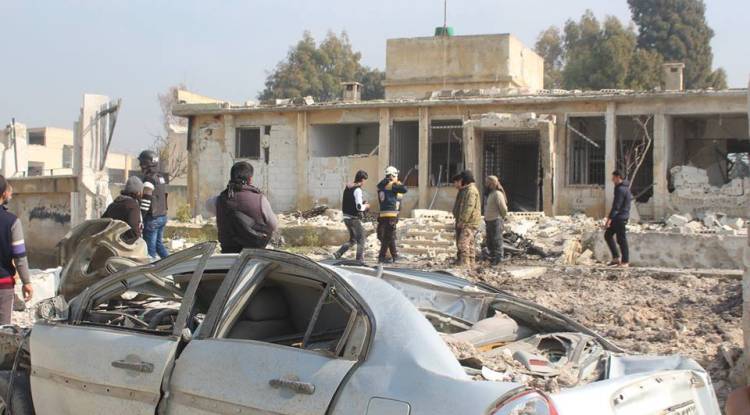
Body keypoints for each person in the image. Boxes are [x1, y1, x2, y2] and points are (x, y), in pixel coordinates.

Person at [216, 161, 278, 253]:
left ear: (232, 177)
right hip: (254, 254)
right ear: (250, 179)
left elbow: (208, 206)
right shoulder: (260, 199)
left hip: (228, 253)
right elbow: (273, 225)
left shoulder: (219, 199)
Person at [0, 177, 32, 324]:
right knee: (2, 330)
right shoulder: (12, 221)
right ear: (4, 193)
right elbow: (19, 257)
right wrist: (26, 282)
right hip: (3, 285)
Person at [138, 150, 169, 259]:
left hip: (153, 218)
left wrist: (140, 217)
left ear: (146, 164)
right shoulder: (160, 177)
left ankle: (151, 269)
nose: (140, 166)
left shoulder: (149, 179)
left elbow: (146, 200)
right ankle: (174, 266)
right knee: (159, 246)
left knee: (149, 251)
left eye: (141, 163)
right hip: (162, 216)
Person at [334, 170, 369, 262]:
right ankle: (359, 260)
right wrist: (366, 206)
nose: (364, 183)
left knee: (353, 240)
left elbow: (351, 201)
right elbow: (359, 207)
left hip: (346, 217)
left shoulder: (348, 188)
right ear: (362, 180)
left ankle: (338, 253)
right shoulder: (357, 190)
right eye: (365, 181)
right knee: (361, 238)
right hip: (353, 218)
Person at [376, 166, 407, 263]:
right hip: (391, 214)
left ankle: (395, 256)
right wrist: (397, 182)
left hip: (383, 214)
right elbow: (404, 189)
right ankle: (382, 257)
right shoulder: (392, 185)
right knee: (388, 237)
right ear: (392, 175)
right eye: (396, 175)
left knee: (390, 236)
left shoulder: (381, 185)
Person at [452, 170, 482, 267]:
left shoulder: (471, 191)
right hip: (467, 221)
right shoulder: (466, 190)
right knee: (470, 244)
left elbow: (469, 207)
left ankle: (465, 264)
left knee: (463, 243)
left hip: (469, 222)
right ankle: (471, 264)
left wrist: (462, 220)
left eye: (460, 180)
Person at [604, 170, 633, 267]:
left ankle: (625, 261)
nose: (612, 179)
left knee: (621, 240)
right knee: (608, 235)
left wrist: (609, 220)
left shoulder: (621, 189)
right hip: (618, 217)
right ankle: (616, 258)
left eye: (613, 177)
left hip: (620, 217)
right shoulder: (622, 188)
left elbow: (616, 206)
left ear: (618, 177)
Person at [102, 176, 144, 244]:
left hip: (110, 242)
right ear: (138, 192)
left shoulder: (113, 204)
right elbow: (135, 232)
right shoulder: (133, 206)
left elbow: (103, 222)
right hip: (125, 245)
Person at [484, 175, 508, 265]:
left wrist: (502, 218)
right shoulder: (491, 194)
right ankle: (492, 258)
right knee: (490, 241)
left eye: (487, 183)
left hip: (496, 220)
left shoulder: (498, 194)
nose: (486, 185)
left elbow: (503, 209)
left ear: (492, 184)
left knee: (497, 241)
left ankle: (498, 259)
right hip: (489, 221)